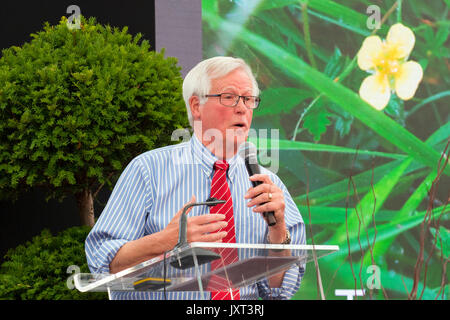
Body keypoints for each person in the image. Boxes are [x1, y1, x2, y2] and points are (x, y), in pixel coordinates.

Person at [85, 56, 306, 300]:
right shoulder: (148, 170)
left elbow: (278, 289)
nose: (242, 108)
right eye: (229, 97)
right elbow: (102, 262)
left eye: (249, 99)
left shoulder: (269, 185)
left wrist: (278, 230)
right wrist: (167, 241)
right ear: (196, 106)